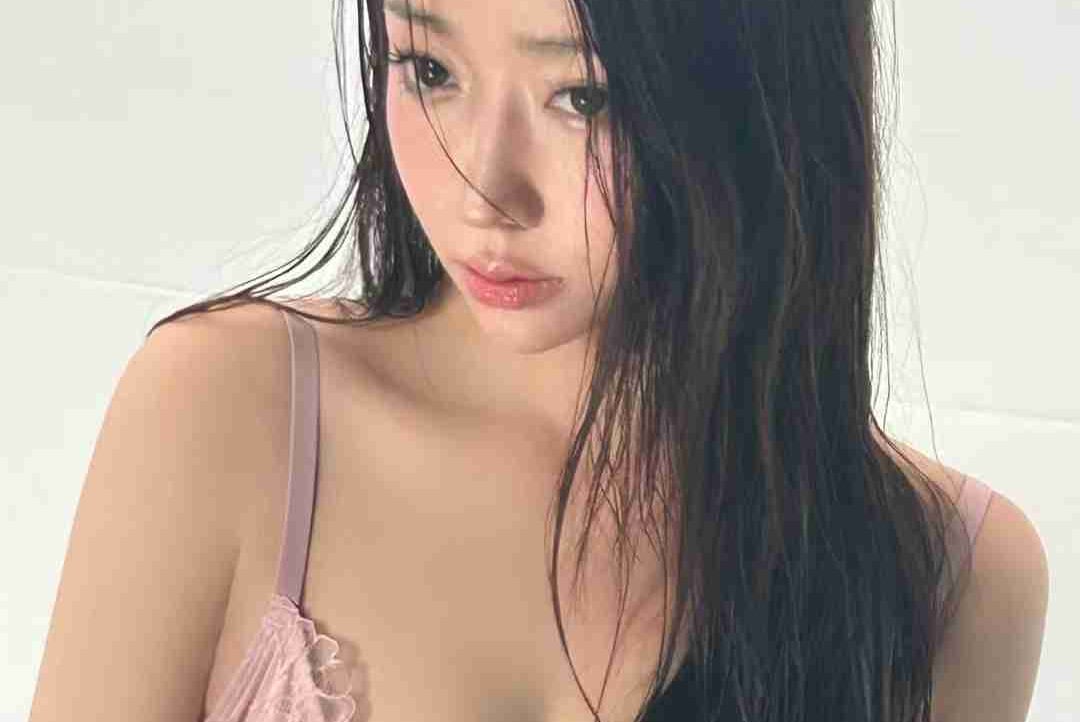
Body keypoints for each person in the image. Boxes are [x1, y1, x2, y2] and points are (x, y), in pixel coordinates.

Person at [29, 0, 1049, 720]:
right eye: (430, 69)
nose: (486, 188)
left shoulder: (952, 574)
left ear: (763, 95)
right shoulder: (228, 411)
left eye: (582, 96)